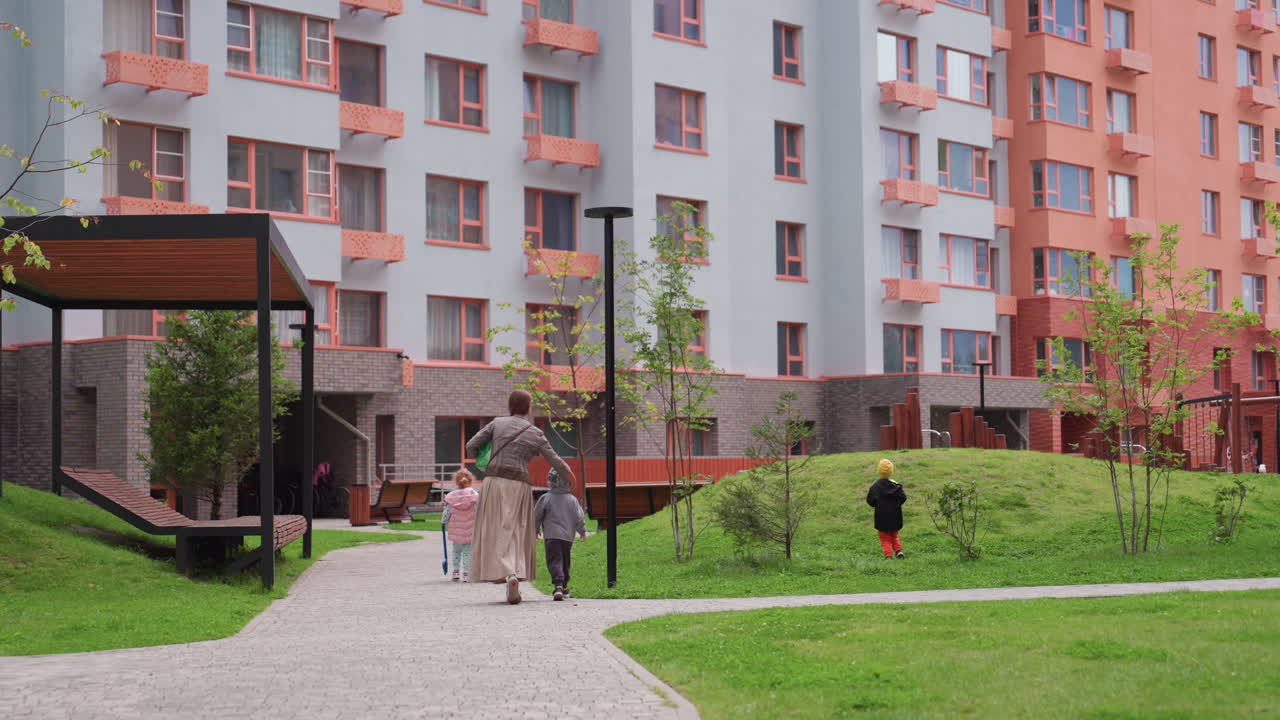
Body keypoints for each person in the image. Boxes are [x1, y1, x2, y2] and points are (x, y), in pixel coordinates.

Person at [467, 389, 576, 605]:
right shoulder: (535, 432)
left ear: (510, 405)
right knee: (517, 530)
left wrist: (481, 462)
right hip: (519, 485)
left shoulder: (497, 423)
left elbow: (471, 446)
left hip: (494, 482)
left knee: (495, 528)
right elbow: (553, 459)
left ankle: (504, 572)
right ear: (528, 407)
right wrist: (569, 475)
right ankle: (514, 571)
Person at [533, 468, 587, 601]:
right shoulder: (573, 500)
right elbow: (579, 517)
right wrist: (582, 531)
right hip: (568, 537)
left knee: (554, 560)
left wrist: (536, 529)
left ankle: (558, 586)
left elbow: (536, 515)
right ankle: (564, 585)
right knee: (565, 560)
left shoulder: (546, 498)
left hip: (552, 536)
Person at [441, 468, 479, 582]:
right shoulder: (475, 496)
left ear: (456, 482)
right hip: (469, 531)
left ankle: (456, 572)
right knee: (468, 552)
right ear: (471, 481)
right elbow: (478, 511)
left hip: (456, 531)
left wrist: (443, 521)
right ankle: (467, 573)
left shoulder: (451, 497)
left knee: (456, 551)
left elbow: (447, 512)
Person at [866, 458, 907, 559]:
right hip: (895, 515)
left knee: (884, 537)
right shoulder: (896, 485)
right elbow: (903, 497)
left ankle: (888, 555)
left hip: (882, 516)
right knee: (894, 534)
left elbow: (870, 501)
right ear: (891, 471)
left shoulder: (875, 487)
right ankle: (898, 551)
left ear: (879, 471)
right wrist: (896, 504)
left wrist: (877, 505)